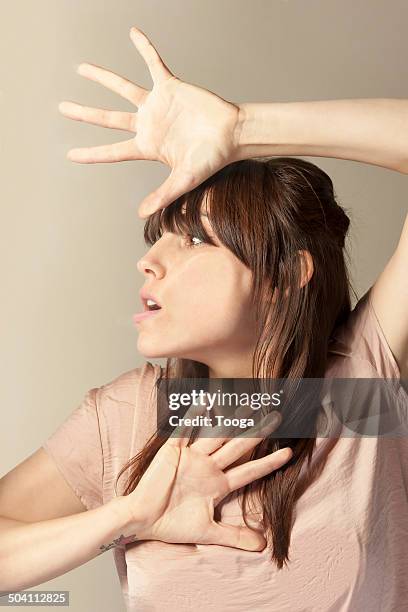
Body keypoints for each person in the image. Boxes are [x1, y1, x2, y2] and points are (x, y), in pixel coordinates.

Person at [0, 25, 407, 612]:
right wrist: (128, 517)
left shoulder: (362, 389)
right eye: (157, 236)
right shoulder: (128, 415)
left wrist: (240, 130)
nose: (150, 261)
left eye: (193, 238)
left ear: (288, 272)